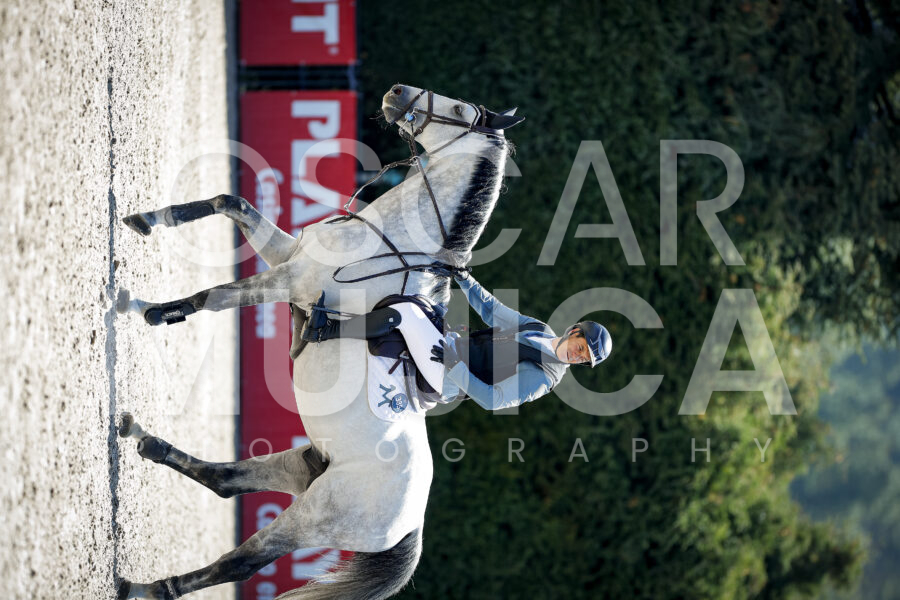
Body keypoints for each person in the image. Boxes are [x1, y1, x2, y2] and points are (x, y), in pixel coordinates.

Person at [301, 272, 612, 411]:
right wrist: (463, 276)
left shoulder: (543, 378)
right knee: (421, 298)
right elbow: (491, 310)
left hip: (447, 377)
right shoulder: (539, 329)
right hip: (452, 347)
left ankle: (324, 331)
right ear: (574, 331)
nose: (578, 357)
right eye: (581, 349)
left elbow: (492, 400)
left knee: (407, 312)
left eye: (583, 359)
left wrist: (455, 364)